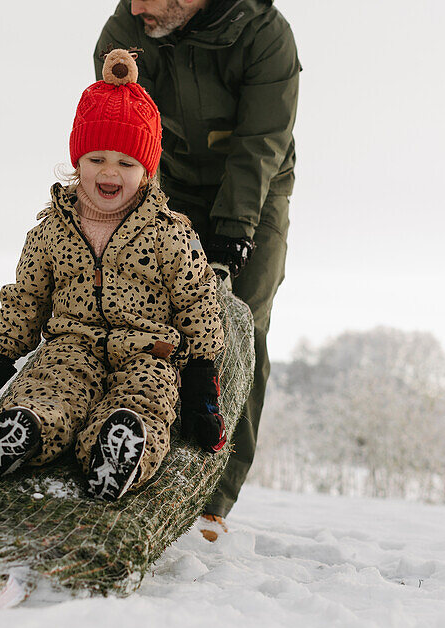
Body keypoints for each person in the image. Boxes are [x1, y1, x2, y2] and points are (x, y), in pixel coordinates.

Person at [0, 49, 226, 501]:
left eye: (126, 163)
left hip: (147, 349)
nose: (110, 172)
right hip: (71, 344)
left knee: (145, 399)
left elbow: (198, 305)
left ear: (147, 171)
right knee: (53, 386)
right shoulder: (51, 232)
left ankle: (116, 449)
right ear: (78, 161)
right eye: (97, 158)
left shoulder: (168, 234)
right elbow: (24, 304)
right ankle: (24, 432)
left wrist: (201, 391)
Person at [96, 0, 300, 536]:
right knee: (146, 315)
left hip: (259, 188)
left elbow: (261, 145)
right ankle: (131, 462)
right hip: (170, 181)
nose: (137, 5)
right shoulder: (129, 28)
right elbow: (119, 129)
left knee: (236, 326)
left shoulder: (265, 34)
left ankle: (212, 496)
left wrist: (235, 231)